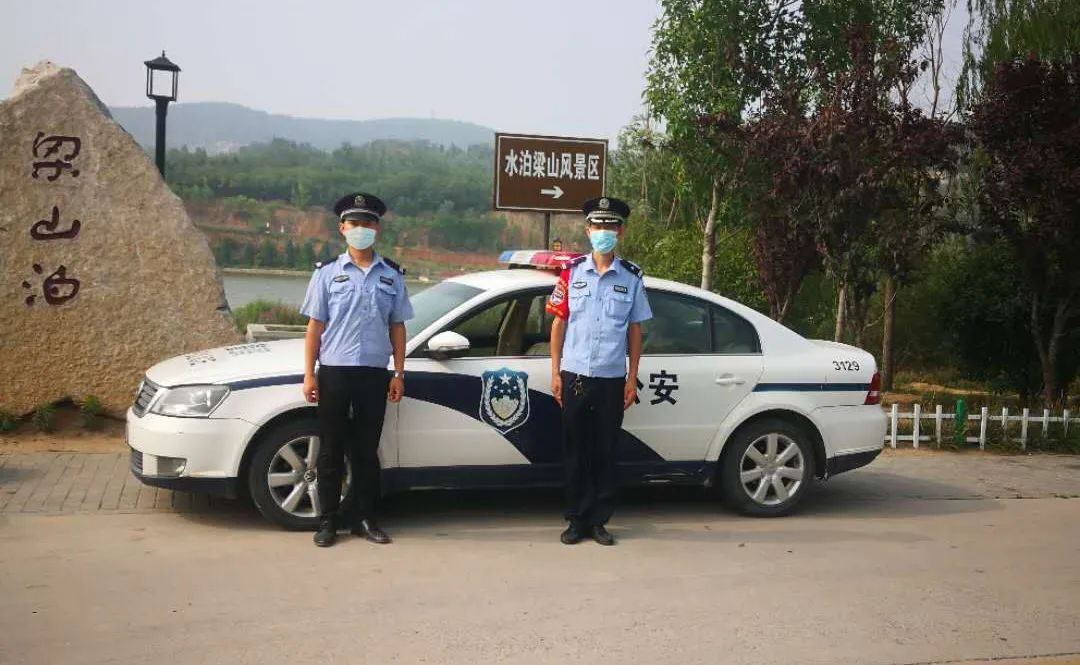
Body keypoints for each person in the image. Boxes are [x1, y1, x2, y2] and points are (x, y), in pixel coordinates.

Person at [300, 192, 413, 547]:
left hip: (373, 373)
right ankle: (328, 521)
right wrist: (309, 373)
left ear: (376, 229)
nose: (361, 229)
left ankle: (364, 518)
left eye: (368, 223)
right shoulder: (327, 274)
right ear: (342, 228)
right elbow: (315, 327)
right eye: (355, 223)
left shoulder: (391, 275)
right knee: (331, 450)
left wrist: (398, 373)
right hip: (335, 371)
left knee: (366, 451)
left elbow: (397, 326)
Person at [546, 196, 652, 546]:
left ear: (620, 231)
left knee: (605, 450)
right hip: (575, 375)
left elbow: (635, 330)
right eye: (598, 225)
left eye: (610, 226)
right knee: (575, 448)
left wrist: (631, 378)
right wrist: (555, 372)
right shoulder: (571, 272)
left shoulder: (632, 277)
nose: (603, 231)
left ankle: (599, 521)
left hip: (611, 378)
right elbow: (558, 324)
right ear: (588, 230)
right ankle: (576, 519)